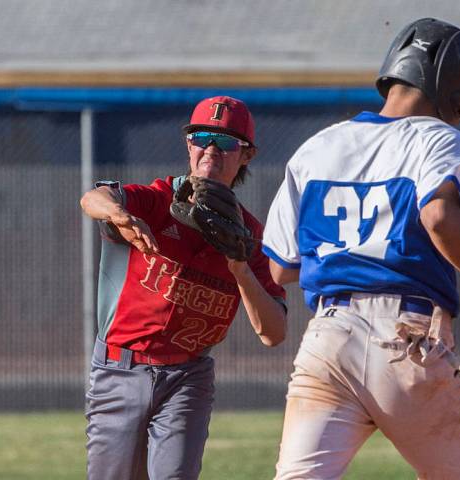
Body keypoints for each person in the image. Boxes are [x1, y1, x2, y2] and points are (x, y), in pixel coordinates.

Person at [263, 18, 460, 480]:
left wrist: (350, 253)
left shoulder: (317, 146)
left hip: (327, 337)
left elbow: (279, 268)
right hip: (407, 335)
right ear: (457, 93)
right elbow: (438, 217)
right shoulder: (442, 139)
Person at [80, 95, 287, 479]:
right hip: (120, 367)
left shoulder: (250, 236)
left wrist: (239, 266)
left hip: (188, 377)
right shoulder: (157, 200)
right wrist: (121, 216)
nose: (210, 149)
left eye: (225, 141)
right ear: (188, 145)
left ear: (247, 155)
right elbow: (93, 198)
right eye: (201, 137)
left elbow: (274, 333)